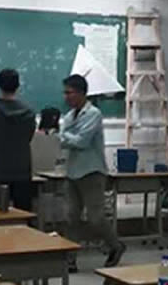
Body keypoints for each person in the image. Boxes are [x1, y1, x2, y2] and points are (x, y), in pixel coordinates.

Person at [60, 74, 125, 270]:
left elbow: (81, 141)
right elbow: (67, 139)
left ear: (81, 93)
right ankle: (70, 259)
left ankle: (116, 246)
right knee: (71, 217)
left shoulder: (93, 114)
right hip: (72, 173)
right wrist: (67, 136)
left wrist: (64, 136)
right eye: (65, 93)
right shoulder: (69, 116)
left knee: (96, 218)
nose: (66, 97)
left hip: (92, 172)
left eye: (69, 93)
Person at [0, 69, 37, 211]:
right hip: (22, 168)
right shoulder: (29, 112)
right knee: (23, 213)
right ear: (18, 86)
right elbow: (28, 137)